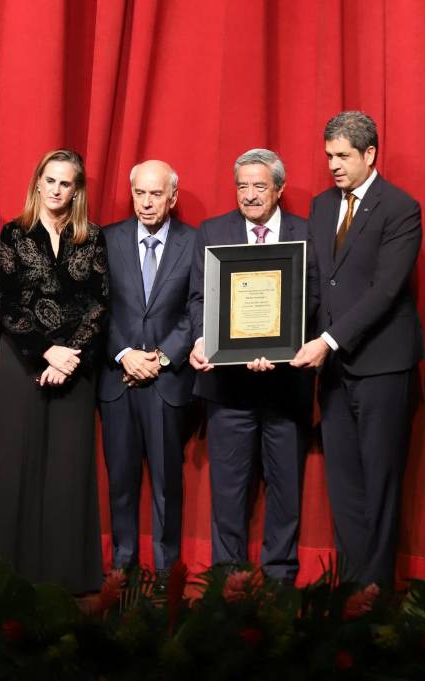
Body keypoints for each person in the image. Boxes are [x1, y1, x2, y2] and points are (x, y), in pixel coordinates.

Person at [290, 111, 423, 588]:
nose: (333, 165)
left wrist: (327, 341)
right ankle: (350, 587)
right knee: (343, 481)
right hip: (334, 371)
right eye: (329, 156)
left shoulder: (401, 207)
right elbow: (315, 281)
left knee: (380, 481)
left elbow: (385, 290)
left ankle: (377, 591)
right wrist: (283, 339)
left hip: (383, 366)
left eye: (343, 156)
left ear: (370, 154)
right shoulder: (323, 205)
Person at [188, 148, 314, 584]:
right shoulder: (213, 231)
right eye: (242, 186)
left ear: (279, 189)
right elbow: (199, 298)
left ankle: (280, 580)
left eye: (259, 186)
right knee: (228, 491)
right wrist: (203, 341)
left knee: (286, 489)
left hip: (287, 385)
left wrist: (287, 344)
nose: (250, 195)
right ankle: (228, 581)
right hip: (227, 388)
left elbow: (315, 298)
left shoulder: (307, 233)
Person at [0, 149, 109, 594]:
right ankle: (14, 578)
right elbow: (7, 304)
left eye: (66, 183)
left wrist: (70, 355)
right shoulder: (13, 233)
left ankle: (69, 578)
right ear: (38, 183)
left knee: (68, 470)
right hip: (23, 363)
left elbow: (99, 304)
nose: (57, 189)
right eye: (51, 180)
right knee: (20, 465)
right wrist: (46, 353)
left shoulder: (91, 237)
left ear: (76, 190)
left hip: (75, 368)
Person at [98, 160, 196, 580]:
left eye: (156, 194)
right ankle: (122, 566)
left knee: (166, 484)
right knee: (120, 482)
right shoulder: (106, 239)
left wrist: (162, 356)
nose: (147, 202)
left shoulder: (194, 241)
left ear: (173, 197)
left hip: (167, 381)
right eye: (140, 193)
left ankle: (166, 572)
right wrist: (124, 353)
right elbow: (95, 307)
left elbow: (198, 307)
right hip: (117, 380)